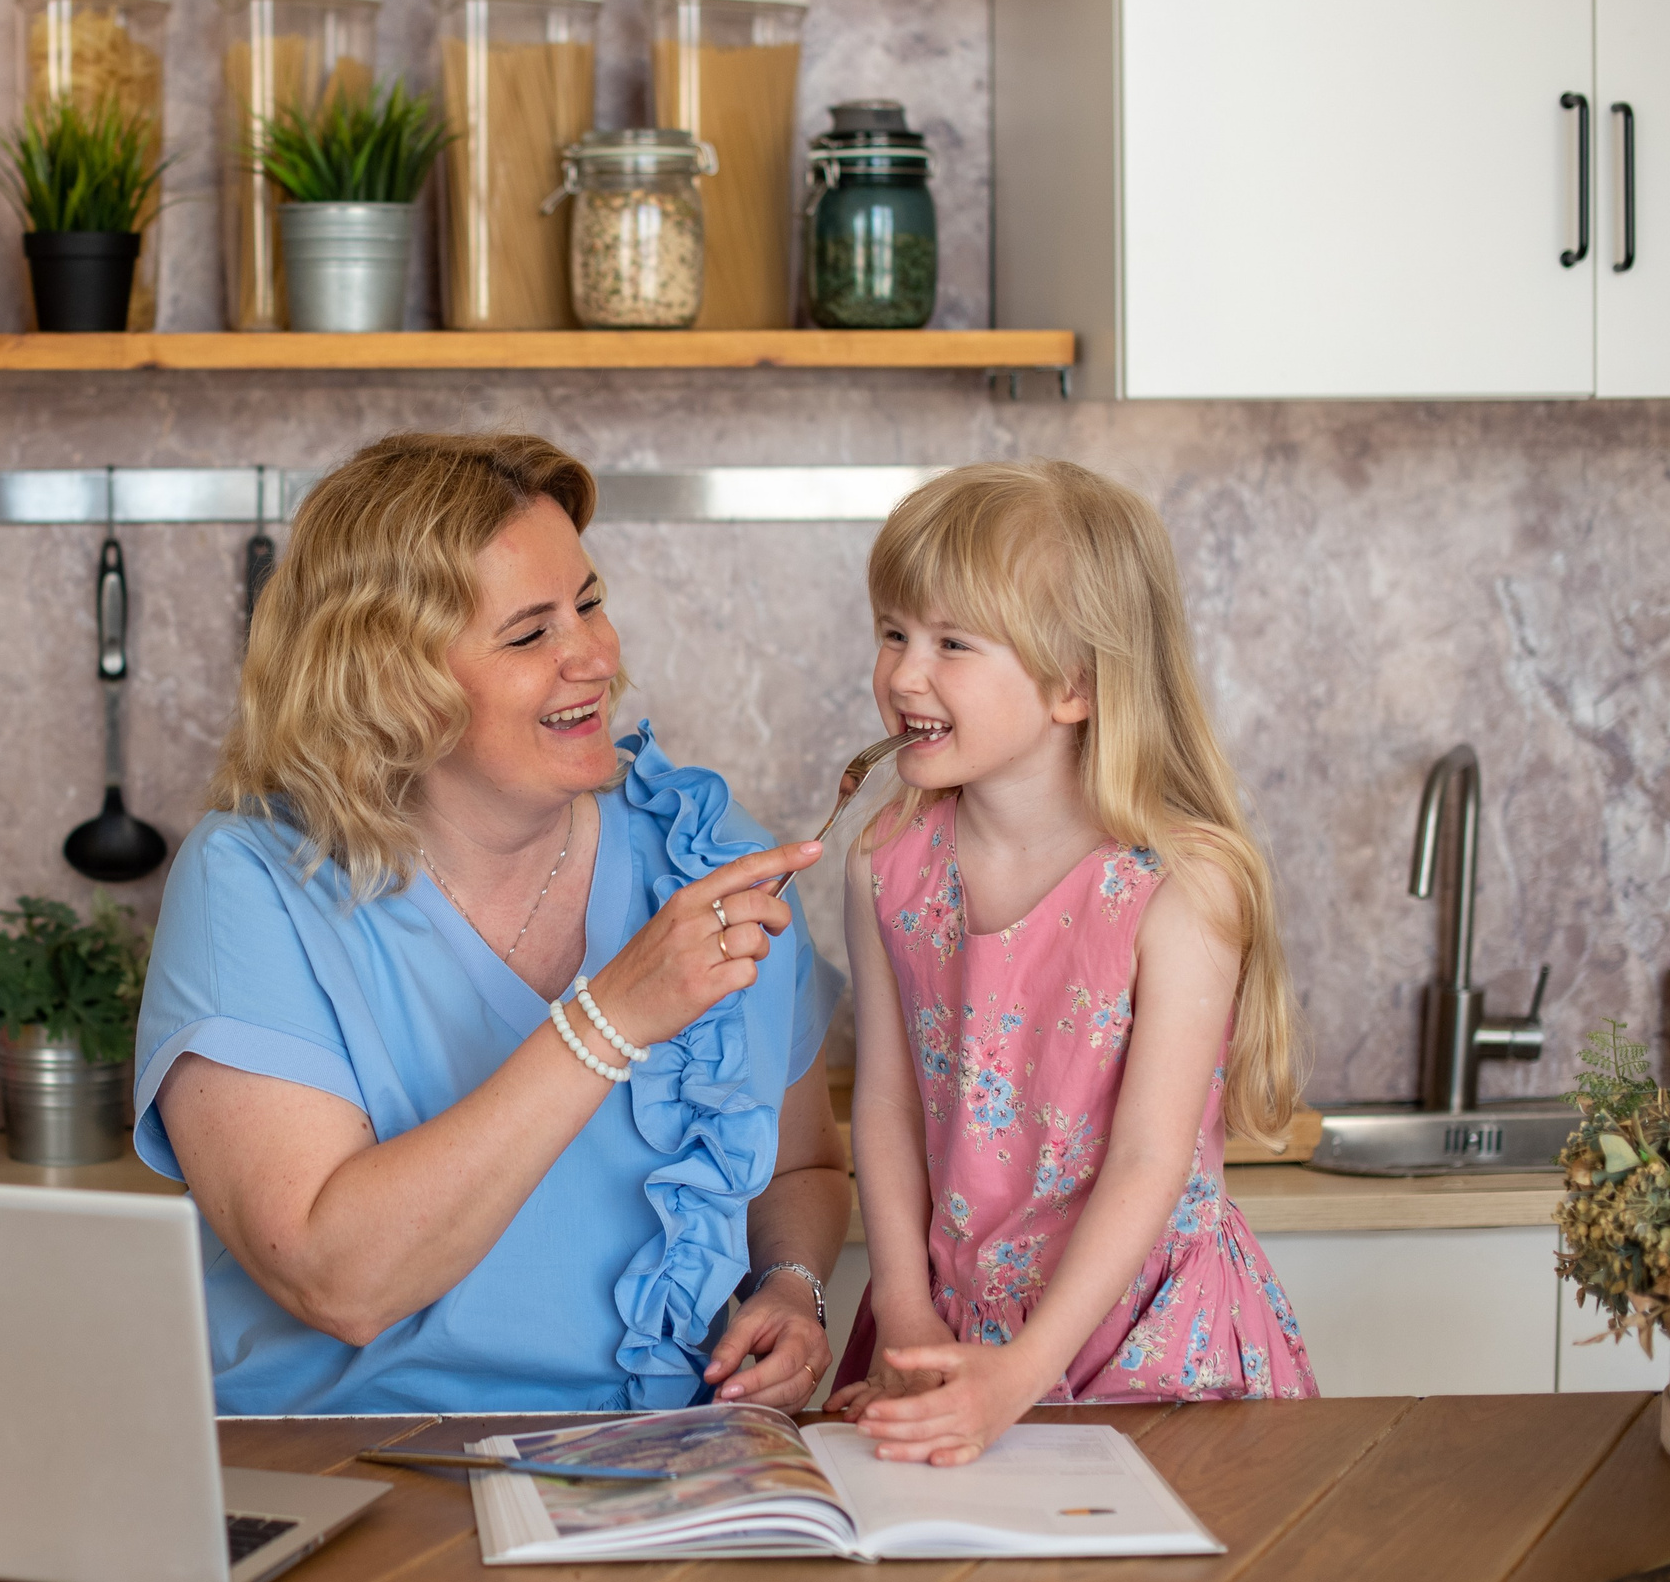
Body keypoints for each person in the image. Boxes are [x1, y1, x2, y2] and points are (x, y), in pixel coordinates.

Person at [134, 432, 852, 1414]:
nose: (593, 657)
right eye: (529, 634)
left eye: (589, 605)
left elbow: (803, 1162)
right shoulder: (255, 883)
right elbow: (334, 1279)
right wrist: (608, 1018)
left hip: (656, 1469)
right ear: (391, 680)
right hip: (341, 1466)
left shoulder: (706, 850)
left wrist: (790, 1285)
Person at [826, 459, 1317, 1466]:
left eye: (951, 643)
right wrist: (909, 1311)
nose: (903, 673)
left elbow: (1150, 1157)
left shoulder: (1180, 883)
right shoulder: (887, 859)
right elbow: (883, 1105)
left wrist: (1023, 1367)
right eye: (893, 632)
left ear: (1074, 683)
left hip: (1149, 1335)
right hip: (947, 1327)